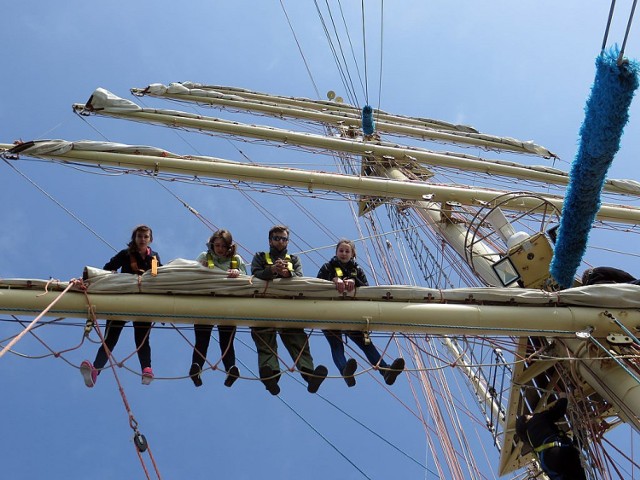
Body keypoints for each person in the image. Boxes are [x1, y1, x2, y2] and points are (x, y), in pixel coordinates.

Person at [250, 225, 328, 395]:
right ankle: (270, 376)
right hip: (264, 303)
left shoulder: (293, 259)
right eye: (277, 238)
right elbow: (255, 274)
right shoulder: (260, 256)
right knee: (264, 340)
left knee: (298, 341)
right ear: (270, 240)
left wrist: (287, 274)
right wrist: (272, 270)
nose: (280, 241)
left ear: (287, 241)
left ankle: (309, 375)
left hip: (288, 304)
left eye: (283, 238)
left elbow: (299, 278)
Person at [80, 225, 161, 387]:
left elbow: (156, 276)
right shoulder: (126, 254)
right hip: (123, 297)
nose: (142, 239)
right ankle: (96, 370)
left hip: (143, 300)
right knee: (110, 338)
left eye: (145, 237)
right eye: (139, 236)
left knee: (142, 339)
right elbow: (108, 268)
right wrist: (113, 278)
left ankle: (147, 370)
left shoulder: (154, 258)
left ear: (150, 239)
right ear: (134, 238)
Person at [317, 239, 405, 387]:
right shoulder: (328, 267)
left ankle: (386, 371)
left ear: (352, 254)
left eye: (347, 251)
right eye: (341, 250)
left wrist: (354, 280)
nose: (344, 253)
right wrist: (333, 279)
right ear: (336, 252)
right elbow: (318, 282)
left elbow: (366, 288)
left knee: (367, 345)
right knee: (336, 345)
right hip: (330, 309)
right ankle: (344, 370)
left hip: (353, 312)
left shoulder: (357, 270)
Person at [189, 229, 246, 388]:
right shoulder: (204, 257)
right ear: (212, 245)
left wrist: (238, 272)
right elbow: (191, 274)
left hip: (228, 303)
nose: (219, 249)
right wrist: (200, 267)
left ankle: (231, 370)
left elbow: (247, 279)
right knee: (202, 339)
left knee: (227, 340)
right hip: (206, 301)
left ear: (229, 247)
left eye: (223, 246)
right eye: (217, 245)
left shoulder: (236, 260)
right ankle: (196, 367)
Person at [516, 396, 587, 480]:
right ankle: (580, 433)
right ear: (526, 420)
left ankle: (580, 435)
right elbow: (557, 411)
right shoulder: (536, 419)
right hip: (557, 451)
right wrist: (564, 397)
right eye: (529, 415)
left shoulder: (528, 439)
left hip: (549, 463)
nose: (532, 415)